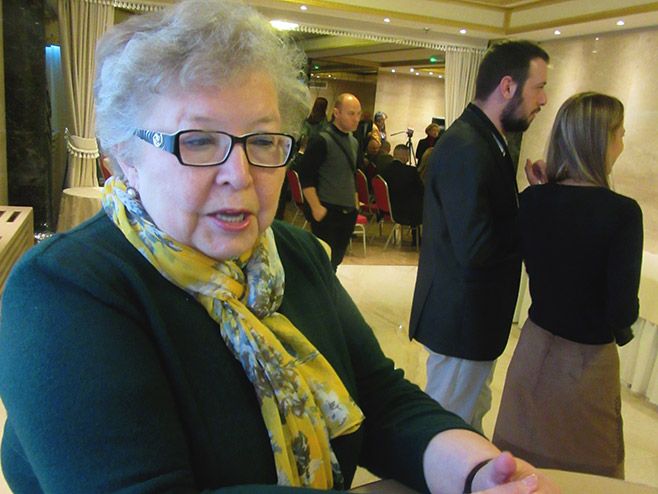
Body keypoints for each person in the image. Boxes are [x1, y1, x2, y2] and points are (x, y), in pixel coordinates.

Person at [0, 2, 561, 493]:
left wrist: (478, 472)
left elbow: (378, 398)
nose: (240, 174)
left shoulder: (292, 254)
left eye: (264, 140)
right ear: (125, 158)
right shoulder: (62, 293)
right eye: (199, 141)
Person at [493, 92, 643, 479]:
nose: (622, 143)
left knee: (519, 472)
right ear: (601, 140)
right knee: (587, 478)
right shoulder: (622, 214)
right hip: (587, 367)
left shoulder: (532, 201)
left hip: (534, 352)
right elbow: (621, 311)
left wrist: (543, 191)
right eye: (620, 134)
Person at [409, 40, 550, 433]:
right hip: (461, 322)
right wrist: (533, 211)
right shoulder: (467, 145)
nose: (543, 99)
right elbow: (476, 247)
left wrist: (530, 198)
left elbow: (490, 220)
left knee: (466, 421)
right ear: (507, 86)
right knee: (447, 430)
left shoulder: (485, 139)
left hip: (470, 320)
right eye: (539, 87)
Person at [298, 93, 361, 270]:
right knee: (324, 261)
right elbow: (306, 175)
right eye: (351, 113)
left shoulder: (354, 142)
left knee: (336, 260)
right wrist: (316, 207)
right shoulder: (321, 140)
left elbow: (352, 173)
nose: (356, 119)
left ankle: (329, 285)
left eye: (358, 114)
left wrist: (355, 203)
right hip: (327, 210)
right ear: (336, 113)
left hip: (348, 211)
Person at [379, 144, 424, 246]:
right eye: (407, 155)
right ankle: (417, 237)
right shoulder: (411, 171)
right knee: (420, 201)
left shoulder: (384, 170)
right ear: (404, 156)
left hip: (389, 208)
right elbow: (421, 190)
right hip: (405, 212)